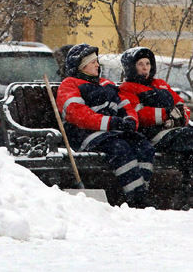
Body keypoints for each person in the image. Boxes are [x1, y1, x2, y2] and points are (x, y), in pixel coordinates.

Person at [56, 44, 156, 208]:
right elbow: (77, 114)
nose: (97, 65)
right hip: (86, 134)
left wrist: (130, 119)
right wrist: (111, 122)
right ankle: (137, 200)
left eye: (97, 61)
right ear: (82, 66)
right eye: (93, 62)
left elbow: (125, 106)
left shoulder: (106, 83)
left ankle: (140, 191)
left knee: (144, 147)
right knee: (120, 149)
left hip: (112, 132)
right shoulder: (70, 84)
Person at [119, 47, 192, 210]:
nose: (145, 68)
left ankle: (188, 187)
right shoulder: (127, 88)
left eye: (148, 63)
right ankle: (187, 189)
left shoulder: (161, 85)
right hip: (151, 134)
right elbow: (138, 113)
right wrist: (166, 115)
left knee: (189, 146)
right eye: (140, 64)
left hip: (173, 130)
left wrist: (180, 118)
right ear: (131, 67)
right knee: (187, 139)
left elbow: (181, 105)